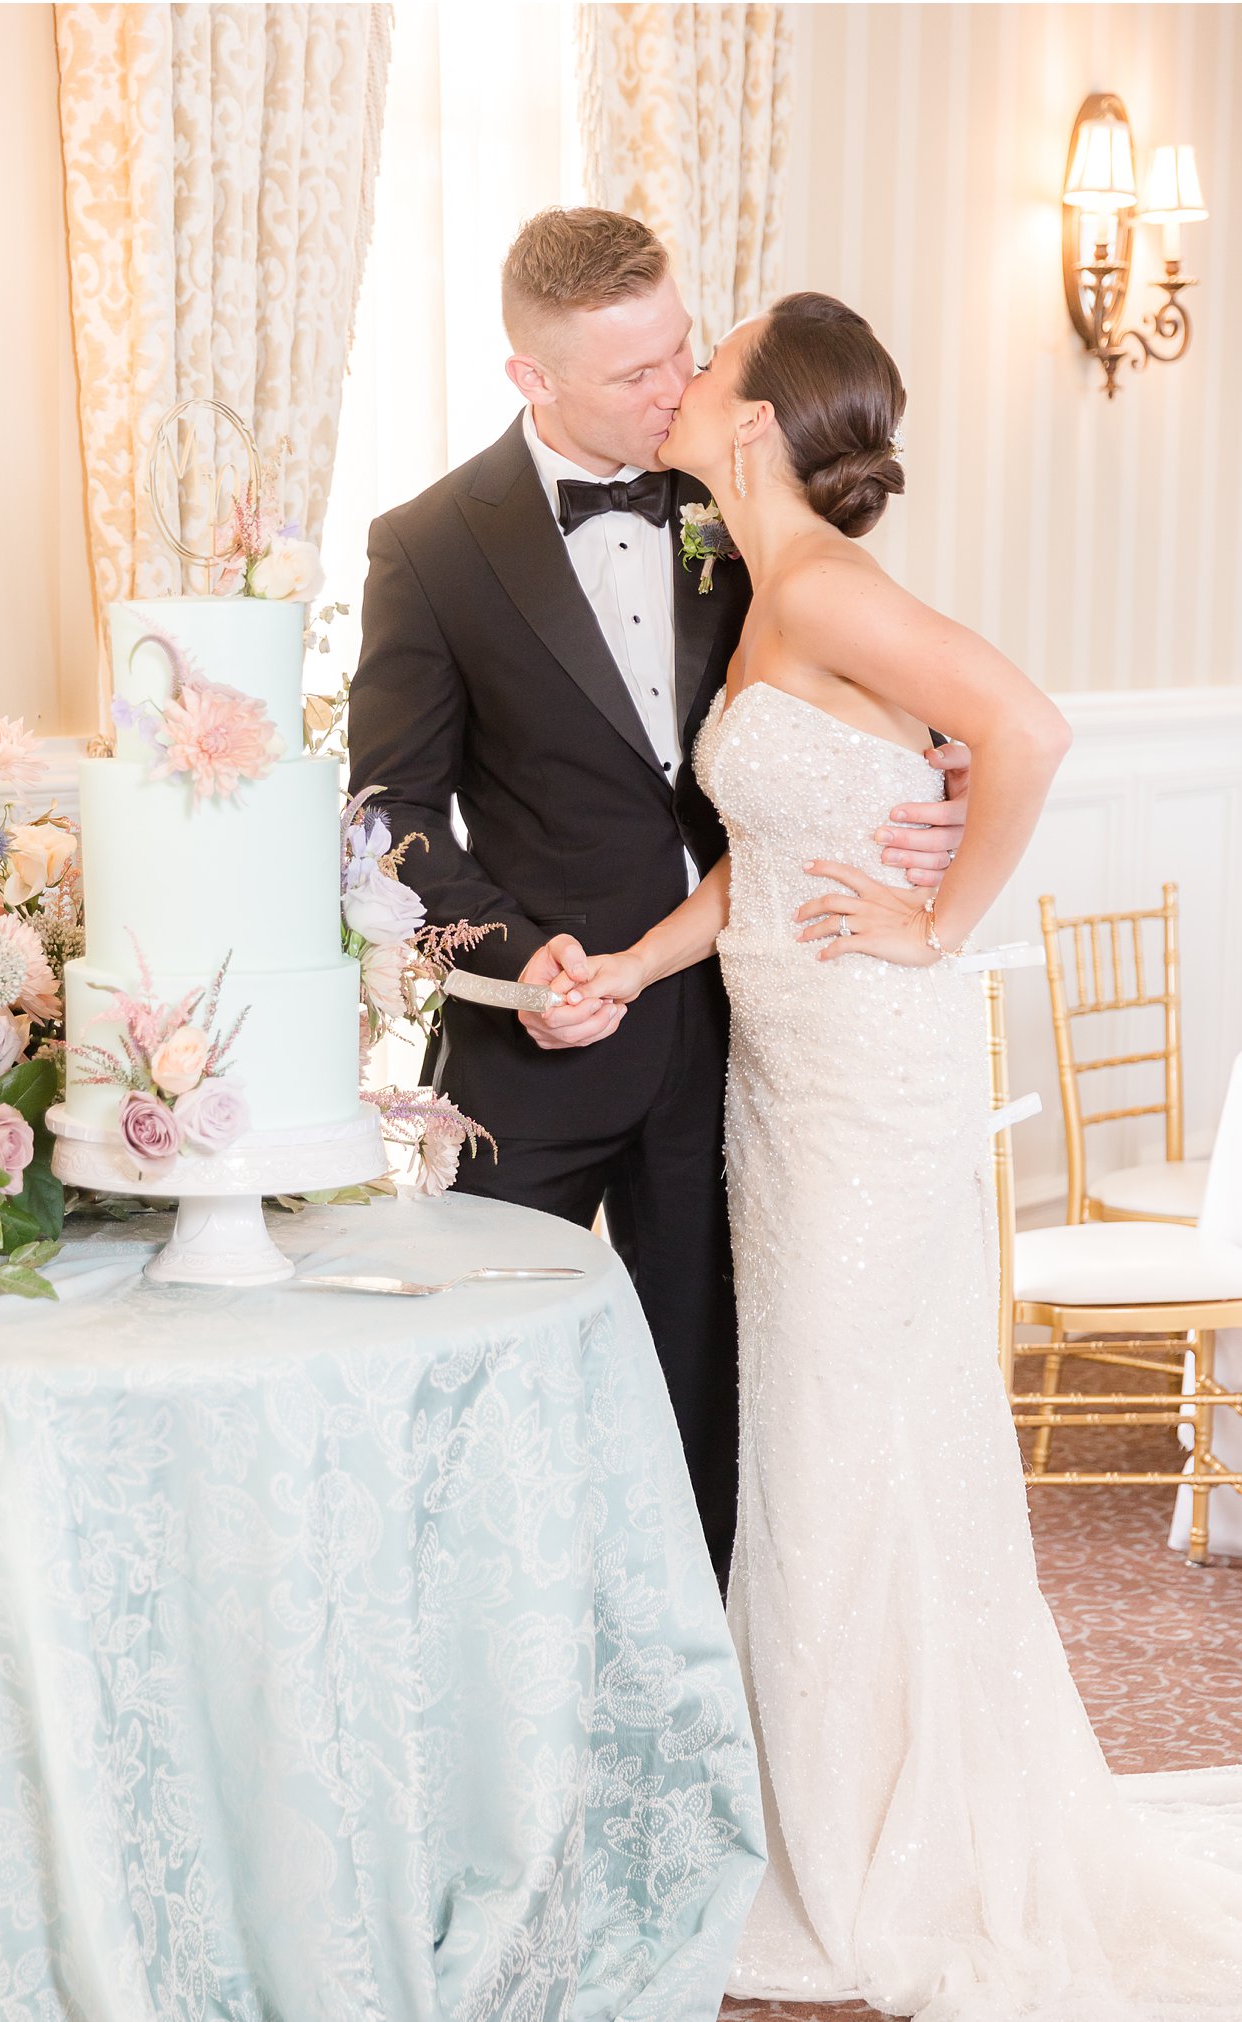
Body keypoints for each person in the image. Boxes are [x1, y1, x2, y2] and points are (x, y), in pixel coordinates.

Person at [574, 289, 1242, 2022]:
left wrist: (940, 913)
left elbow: (1028, 728)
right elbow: (761, 859)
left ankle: (883, 1838)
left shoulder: (815, 593)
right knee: (838, 1440)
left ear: (751, 418)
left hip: (876, 1079)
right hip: (784, 1080)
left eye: (706, 359)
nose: (682, 380)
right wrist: (631, 959)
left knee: (845, 1430)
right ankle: (843, 1799)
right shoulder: (767, 595)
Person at [347, 211, 967, 1582]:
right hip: (534, 1051)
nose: (679, 387)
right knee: (482, 1391)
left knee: (723, 1401)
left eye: (683, 347)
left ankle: (705, 1730)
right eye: (637, 374)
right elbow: (390, 813)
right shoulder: (429, 547)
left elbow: (884, 698)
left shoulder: (730, 485)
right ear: (532, 378)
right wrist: (519, 959)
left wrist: (938, 790)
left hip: (750, 1032)